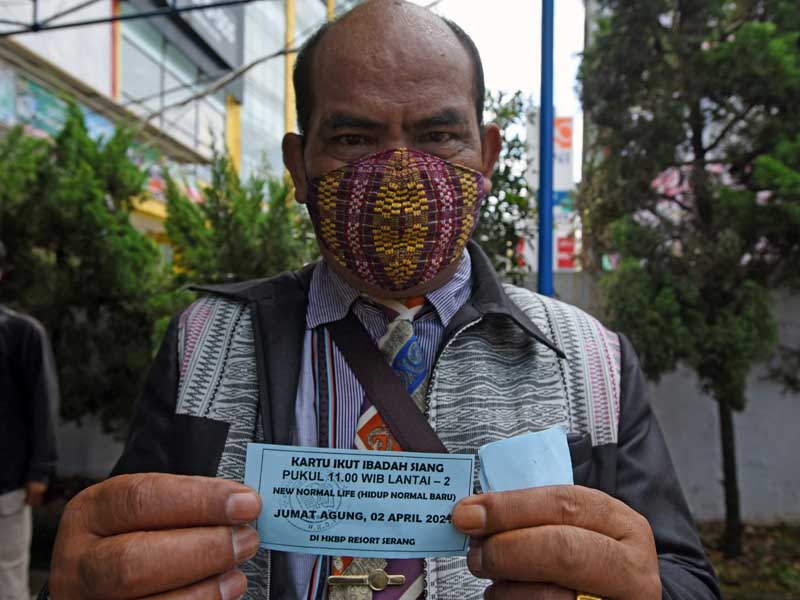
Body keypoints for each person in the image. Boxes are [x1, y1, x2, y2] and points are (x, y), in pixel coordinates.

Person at [46, 2, 721, 599]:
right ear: (296, 167)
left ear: (484, 157)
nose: (400, 173)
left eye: (436, 135)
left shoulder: (589, 361)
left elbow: (682, 576)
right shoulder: (206, 344)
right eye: (352, 138)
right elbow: (123, 553)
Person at [0, 240, 59, 600]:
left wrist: (39, 470)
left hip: (5, 485)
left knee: (7, 578)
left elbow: (42, 402)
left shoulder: (22, 333)